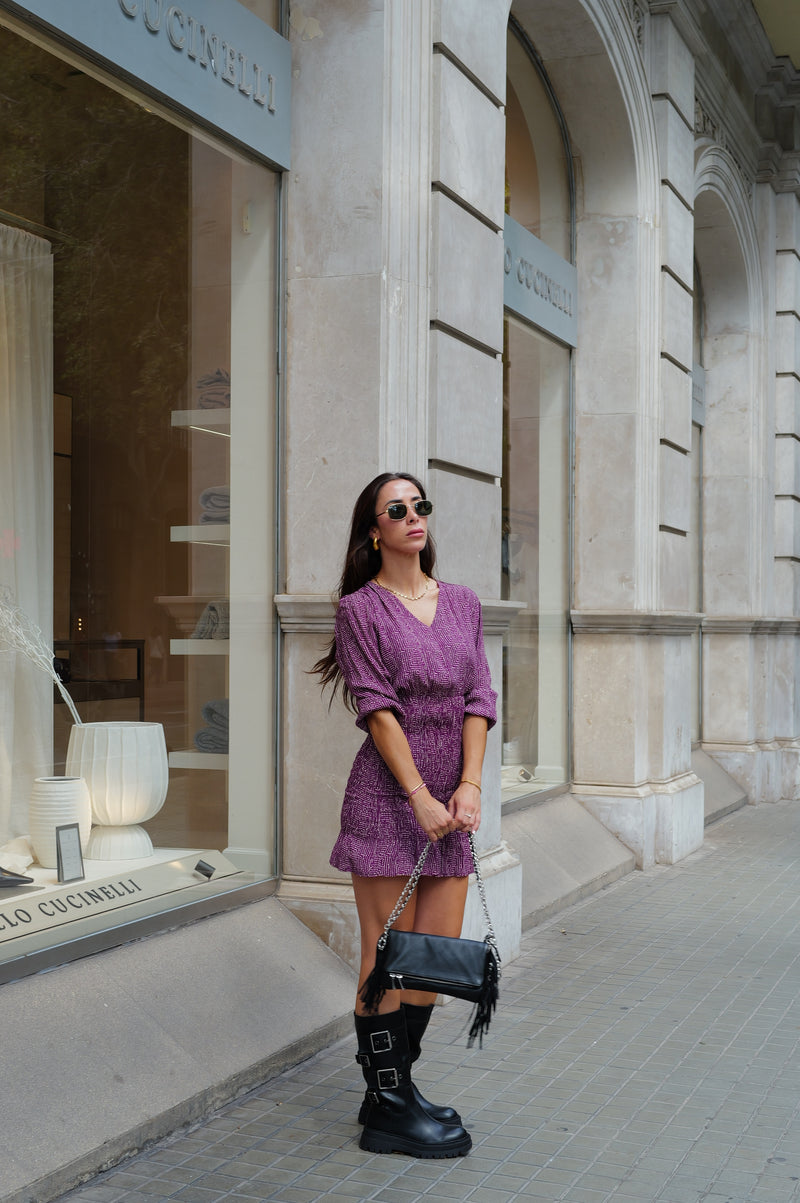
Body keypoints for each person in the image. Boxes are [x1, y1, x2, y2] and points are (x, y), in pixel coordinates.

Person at [312, 471, 497, 1158]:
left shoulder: (464, 602)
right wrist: (418, 793)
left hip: (453, 798)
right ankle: (390, 1103)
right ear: (375, 529)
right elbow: (375, 706)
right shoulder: (361, 609)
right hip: (389, 795)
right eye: (398, 508)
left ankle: (390, 1090)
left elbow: (480, 695)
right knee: (385, 954)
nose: (414, 514)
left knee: (430, 960)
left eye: (421, 505)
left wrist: (469, 784)